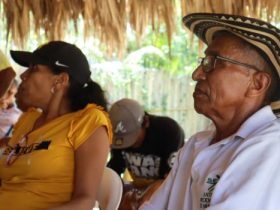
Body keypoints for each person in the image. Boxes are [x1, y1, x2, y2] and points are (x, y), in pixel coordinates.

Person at [140, 13, 280, 210]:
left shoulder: (271, 148)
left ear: (257, 84)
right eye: (203, 61)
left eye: (212, 63)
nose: (196, 74)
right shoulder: (196, 145)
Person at [0, 41, 112, 210]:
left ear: (60, 80)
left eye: (34, 68)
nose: (23, 76)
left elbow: (85, 201)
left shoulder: (87, 121)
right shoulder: (27, 120)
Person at [107, 98, 184, 208]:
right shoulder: (118, 139)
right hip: (139, 189)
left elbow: (169, 180)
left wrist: (143, 203)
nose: (128, 145)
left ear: (146, 122)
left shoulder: (168, 131)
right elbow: (114, 172)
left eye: (131, 137)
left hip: (168, 193)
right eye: (121, 140)